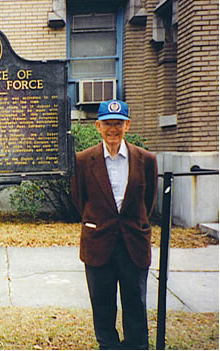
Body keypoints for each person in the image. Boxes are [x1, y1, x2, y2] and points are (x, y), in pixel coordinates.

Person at [70, 99, 158, 350]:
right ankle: (107, 346)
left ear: (127, 125)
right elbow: (80, 199)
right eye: (107, 123)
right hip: (98, 244)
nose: (113, 129)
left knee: (135, 304)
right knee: (102, 305)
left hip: (133, 245)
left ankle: (137, 346)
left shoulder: (146, 160)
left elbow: (147, 201)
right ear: (98, 126)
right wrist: (99, 222)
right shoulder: (83, 161)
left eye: (118, 124)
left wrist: (132, 224)